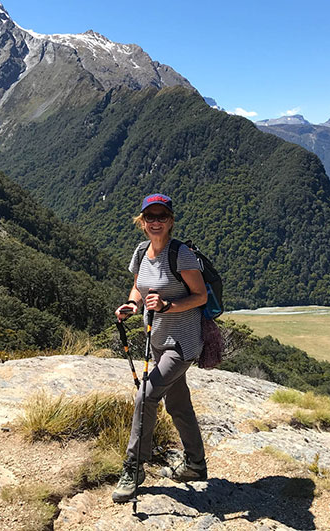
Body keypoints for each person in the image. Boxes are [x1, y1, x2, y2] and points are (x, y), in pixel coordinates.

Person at [111, 193, 209, 503]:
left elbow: (200, 296)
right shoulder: (141, 252)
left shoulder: (181, 255)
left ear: (170, 221)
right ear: (141, 222)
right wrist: (131, 304)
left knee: (146, 395)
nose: (156, 222)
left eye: (161, 217)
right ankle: (195, 465)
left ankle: (134, 466)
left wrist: (167, 305)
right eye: (150, 217)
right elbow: (139, 288)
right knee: (177, 404)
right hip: (157, 341)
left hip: (182, 344)